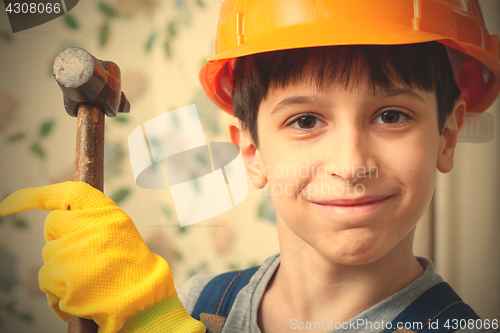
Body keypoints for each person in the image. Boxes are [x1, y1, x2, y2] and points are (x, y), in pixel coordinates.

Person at [0, 1, 499, 333]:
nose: (352, 165)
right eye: (305, 120)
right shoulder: (202, 302)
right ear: (253, 153)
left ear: (446, 135)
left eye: (392, 116)